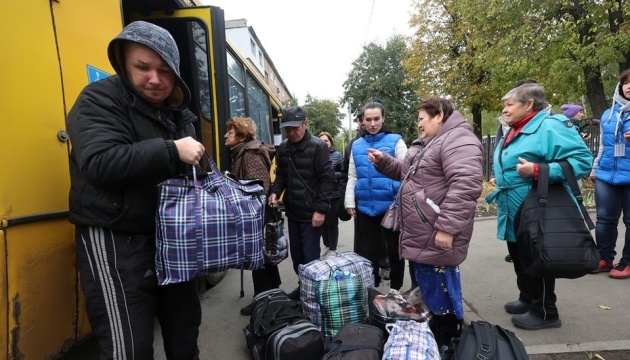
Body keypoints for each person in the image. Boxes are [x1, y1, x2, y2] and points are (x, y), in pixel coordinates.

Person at [65, 21, 203, 359]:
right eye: (143, 67)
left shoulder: (179, 114)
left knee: (184, 331)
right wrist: (172, 149)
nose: (155, 79)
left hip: (170, 239)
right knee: (130, 346)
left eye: (164, 71)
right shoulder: (99, 98)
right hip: (115, 238)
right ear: (124, 62)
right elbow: (98, 161)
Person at [369, 98, 483, 355]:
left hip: (435, 229)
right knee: (426, 288)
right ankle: (432, 337)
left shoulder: (457, 140)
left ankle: (449, 339)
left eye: (422, 118)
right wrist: (383, 161)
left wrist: (448, 228)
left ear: (439, 115)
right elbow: (407, 173)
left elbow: (466, 184)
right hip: (422, 229)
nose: (418, 123)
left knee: (440, 290)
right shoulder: (430, 142)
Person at [486, 83, 593, 330]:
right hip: (514, 203)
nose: (504, 109)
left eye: (509, 104)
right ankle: (527, 298)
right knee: (519, 254)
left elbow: (582, 160)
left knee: (536, 256)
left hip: (536, 204)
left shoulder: (550, 125)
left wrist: (537, 170)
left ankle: (545, 312)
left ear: (529, 104)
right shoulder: (515, 127)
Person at [268, 106, 335, 300]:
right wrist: (274, 192)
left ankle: (314, 294)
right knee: (297, 257)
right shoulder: (284, 149)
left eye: (295, 127)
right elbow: (280, 175)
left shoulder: (318, 146)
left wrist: (321, 210)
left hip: (312, 213)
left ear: (305, 124)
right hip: (293, 211)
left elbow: (327, 180)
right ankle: (303, 287)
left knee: (310, 257)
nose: (291, 132)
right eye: (287, 129)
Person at [345, 100, 408, 294]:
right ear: (362, 121)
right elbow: (353, 176)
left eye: (376, 119)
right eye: (368, 119)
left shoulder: (396, 141)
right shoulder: (356, 145)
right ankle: (372, 288)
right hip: (366, 207)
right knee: (369, 252)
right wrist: (349, 201)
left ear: (383, 118)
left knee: (395, 251)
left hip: (391, 206)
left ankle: (396, 289)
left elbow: (406, 171)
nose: (373, 124)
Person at [224, 117, 282, 315]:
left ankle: (263, 299)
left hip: (257, 214)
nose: (225, 136)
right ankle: (272, 293)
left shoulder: (250, 153)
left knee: (259, 258)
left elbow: (261, 185)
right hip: (254, 212)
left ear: (240, 136)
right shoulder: (242, 151)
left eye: (230, 133)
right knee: (264, 257)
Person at [588, 68, 630, 279]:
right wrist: (596, 169)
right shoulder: (609, 114)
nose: (629, 86)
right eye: (625, 83)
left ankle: (628, 262)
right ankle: (605, 258)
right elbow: (604, 146)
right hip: (607, 174)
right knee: (604, 219)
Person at [317, 131, 344, 256]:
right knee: (322, 222)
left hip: (334, 195)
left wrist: (331, 175)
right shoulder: (315, 155)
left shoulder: (338, 156)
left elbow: (344, 174)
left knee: (332, 223)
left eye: (326, 141)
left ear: (331, 142)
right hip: (319, 195)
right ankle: (326, 246)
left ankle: (333, 249)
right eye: (321, 141)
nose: (324, 143)